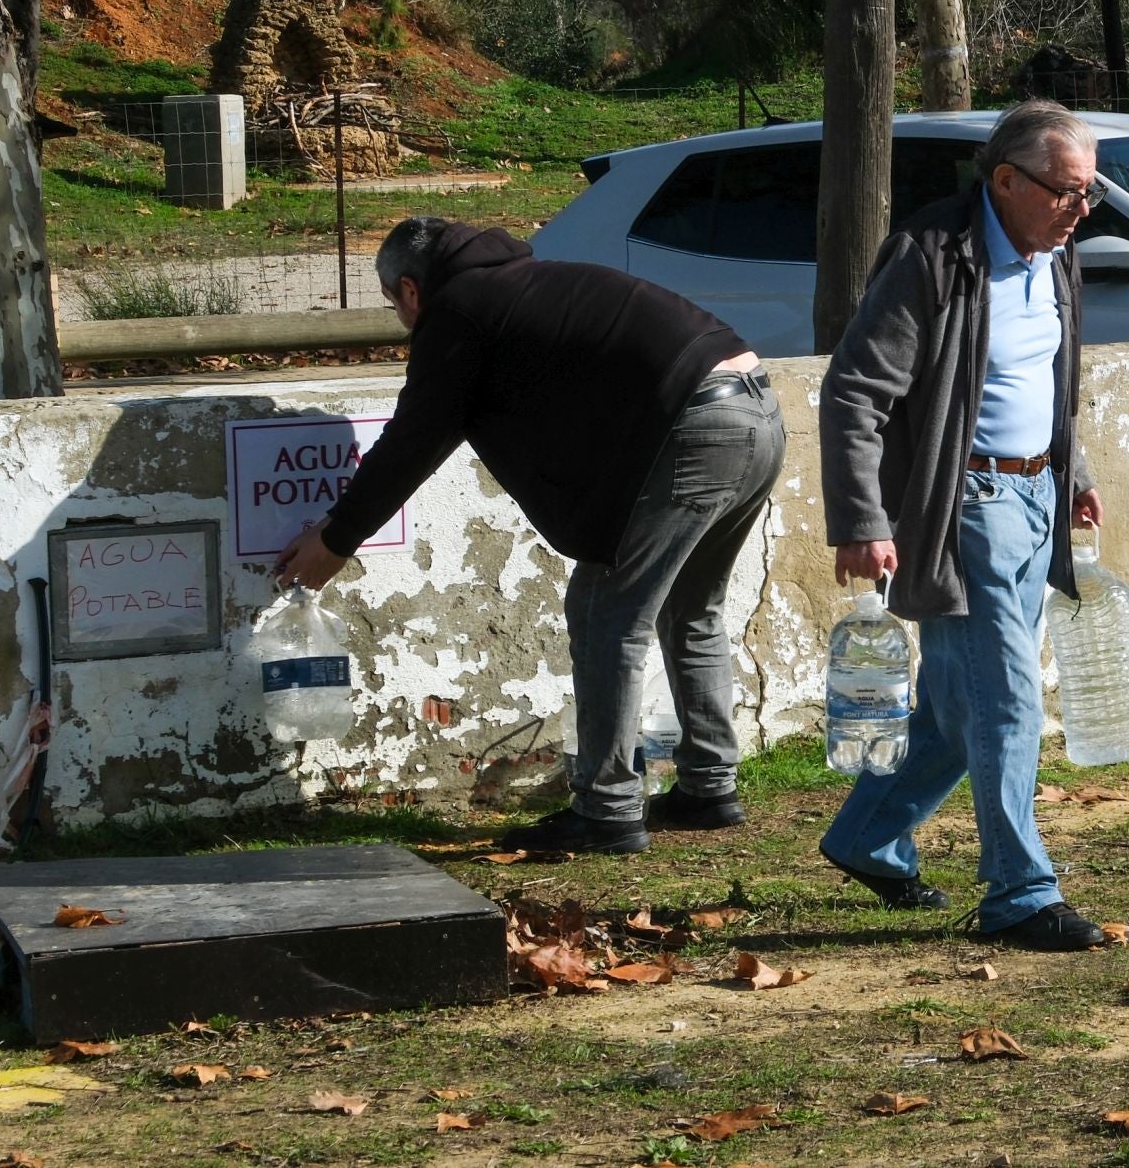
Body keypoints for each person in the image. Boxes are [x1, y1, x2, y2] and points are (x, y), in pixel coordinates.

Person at [275, 216, 785, 855]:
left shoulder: (459, 310)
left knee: (606, 609)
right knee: (690, 608)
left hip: (697, 421)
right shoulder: (524, 284)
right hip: (758, 408)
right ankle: (710, 786)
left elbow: (414, 438)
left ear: (409, 289)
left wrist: (337, 539)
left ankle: (607, 808)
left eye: (393, 306)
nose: (403, 321)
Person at [817, 100, 1108, 951]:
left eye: (1089, 194)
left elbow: (1050, 378)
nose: (1080, 211)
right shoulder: (932, 255)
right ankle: (1021, 894)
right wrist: (863, 519)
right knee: (1008, 700)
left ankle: (867, 837)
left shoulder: (1057, 257)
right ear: (1006, 180)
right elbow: (855, 393)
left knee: (958, 708)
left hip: (1034, 501)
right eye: (1067, 192)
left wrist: (1073, 472)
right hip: (962, 507)